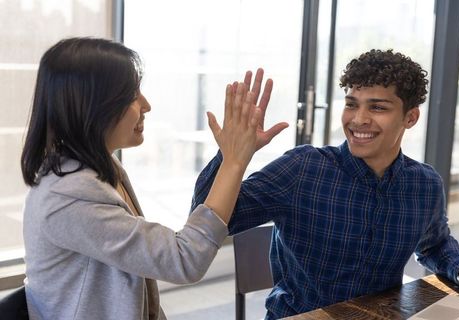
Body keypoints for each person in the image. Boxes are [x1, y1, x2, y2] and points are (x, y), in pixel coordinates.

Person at [192, 49, 459, 319]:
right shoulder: (303, 169)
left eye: (378, 107)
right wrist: (232, 156)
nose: (359, 119)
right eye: (351, 105)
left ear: (411, 117)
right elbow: (206, 222)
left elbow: (436, 245)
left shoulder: (425, 185)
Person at [20, 37, 286, 320]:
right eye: (133, 95)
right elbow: (185, 259)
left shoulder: (95, 169)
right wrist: (234, 161)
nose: (146, 105)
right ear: (93, 105)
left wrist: (232, 155)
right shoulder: (70, 194)